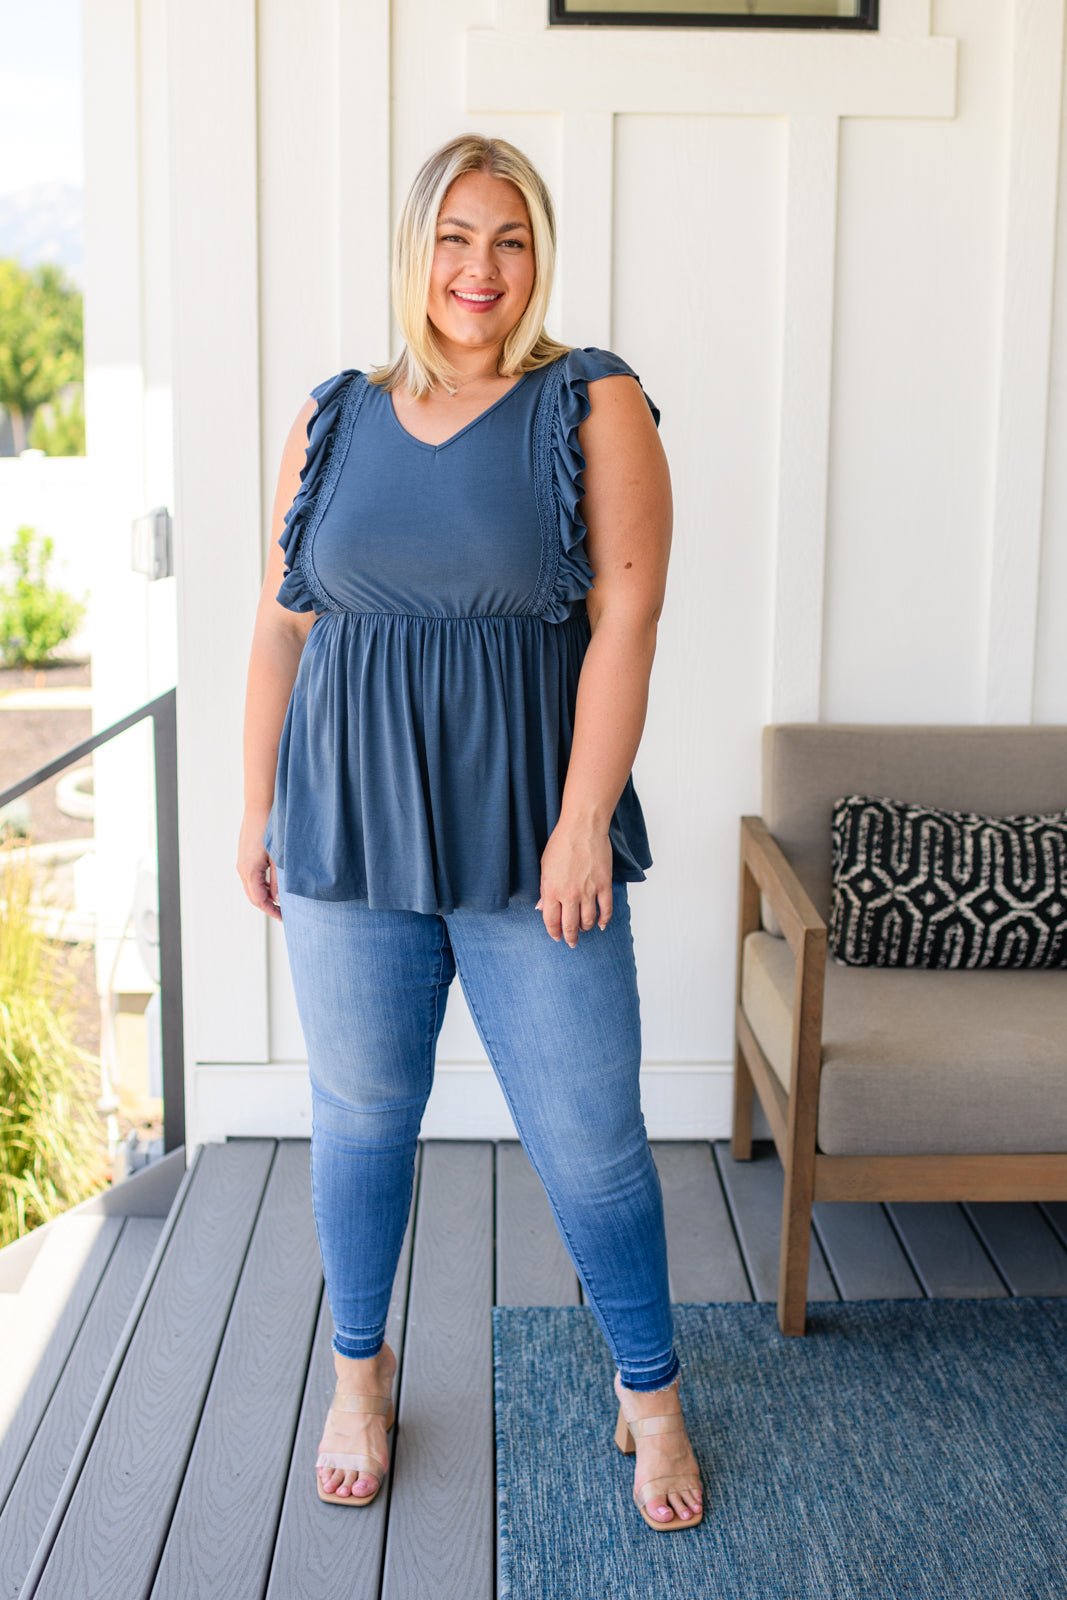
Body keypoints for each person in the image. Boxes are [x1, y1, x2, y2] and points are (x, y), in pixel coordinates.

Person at [238, 132, 703, 1533]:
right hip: (345, 832)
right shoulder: (334, 416)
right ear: (415, 251)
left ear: (538, 256)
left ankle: (651, 1394)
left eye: (509, 239)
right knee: (360, 1119)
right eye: (454, 236)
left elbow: (627, 620)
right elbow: (282, 625)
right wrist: (257, 803)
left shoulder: (589, 398)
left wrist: (583, 822)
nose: (479, 268)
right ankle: (360, 1377)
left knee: (591, 1136)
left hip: (528, 839)